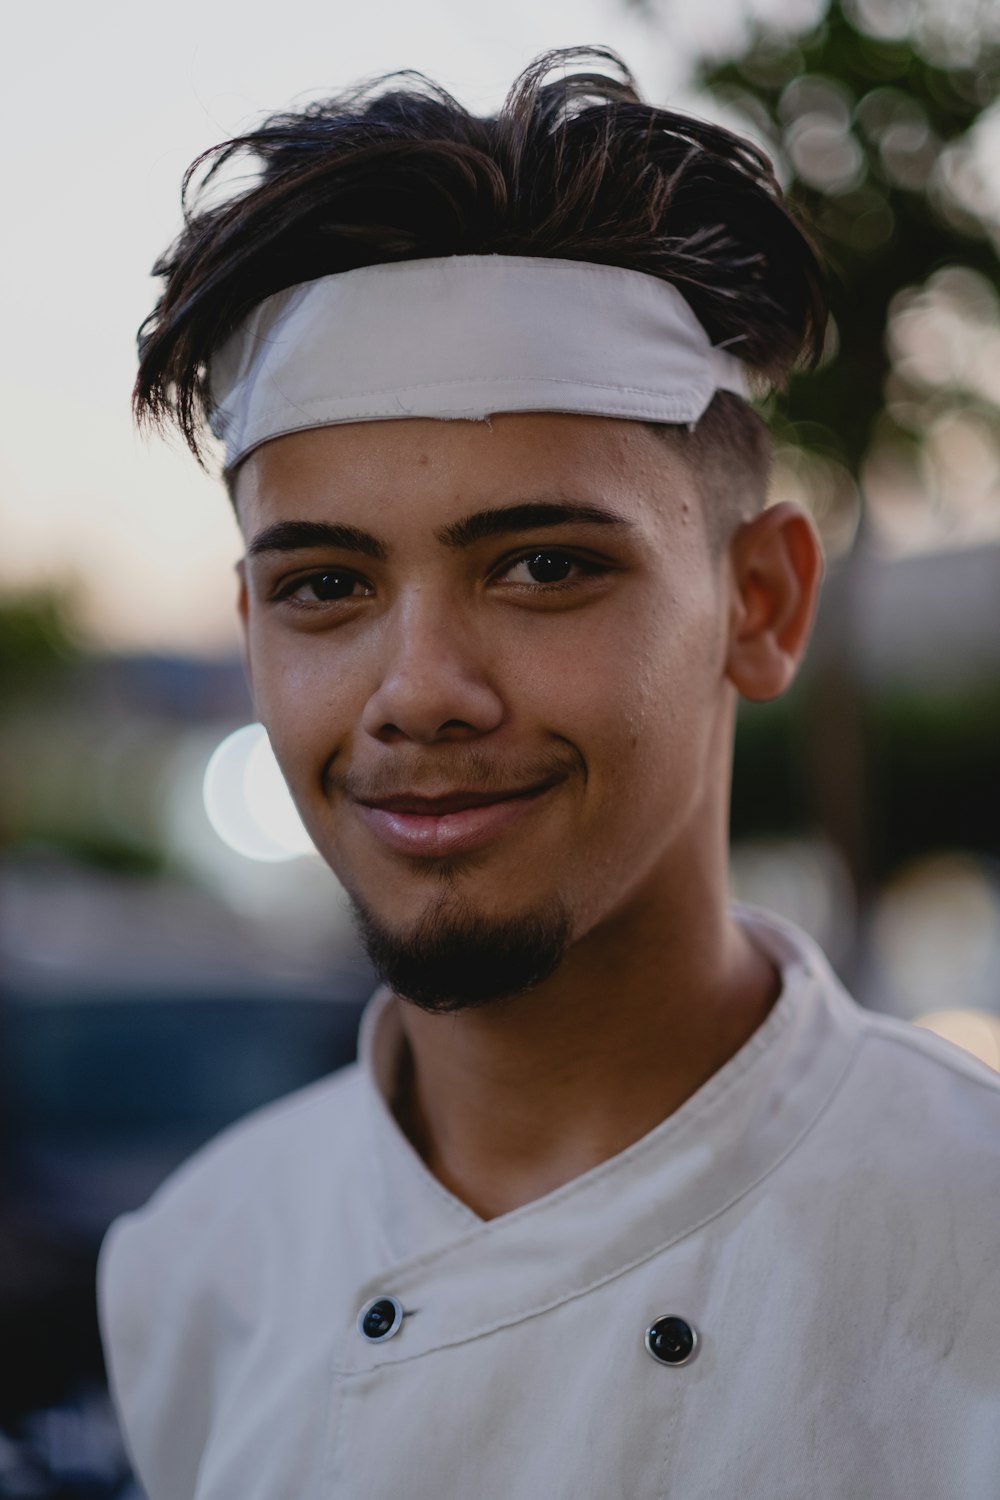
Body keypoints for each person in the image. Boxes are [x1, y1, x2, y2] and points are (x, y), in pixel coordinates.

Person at [98, 47, 1000, 1499]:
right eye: (326, 585)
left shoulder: (976, 1243)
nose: (419, 692)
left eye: (542, 565)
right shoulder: (194, 1269)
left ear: (759, 603)